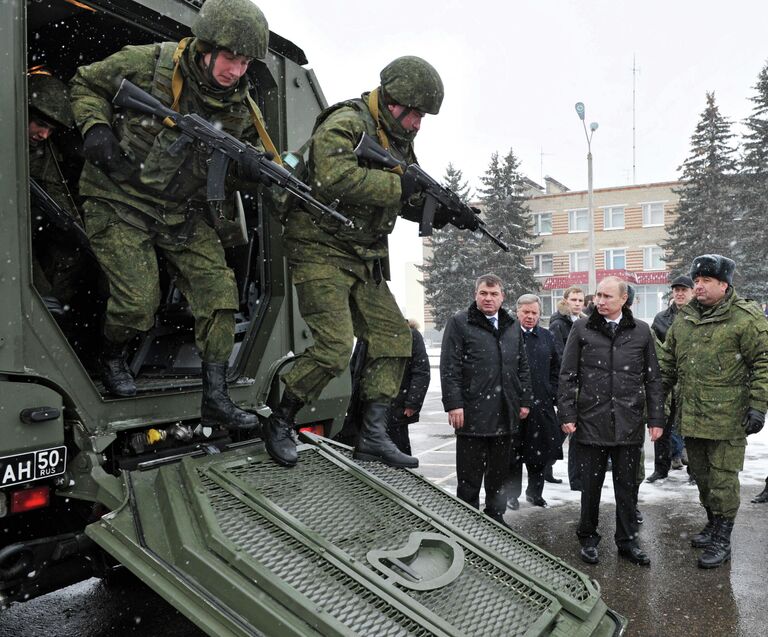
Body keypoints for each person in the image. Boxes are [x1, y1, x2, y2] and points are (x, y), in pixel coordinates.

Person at [69, 0, 273, 430]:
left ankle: (215, 396)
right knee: (139, 306)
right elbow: (86, 84)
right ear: (206, 48)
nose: (236, 72)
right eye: (230, 59)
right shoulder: (152, 63)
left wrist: (253, 168)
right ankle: (107, 354)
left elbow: (255, 167)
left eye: (245, 62)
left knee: (220, 295)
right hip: (118, 198)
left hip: (180, 212)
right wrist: (96, 129)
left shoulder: (241, 108)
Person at [266, 56, 467, 469]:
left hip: (363, 255)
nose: (418, 124)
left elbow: (403, 194)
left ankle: (373, 434)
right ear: (393, 102)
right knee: (334, 348)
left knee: (393, 339)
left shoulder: (397, 138)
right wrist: (399, 184)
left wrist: (443, 211)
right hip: (320, 247)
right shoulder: (346, 121)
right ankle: (280, 418)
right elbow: (332, 178)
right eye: (415, 115)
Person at [659, 254, 768, 568]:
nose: (699, 286)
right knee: (702, 478)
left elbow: (763, 364)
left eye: (706, 280)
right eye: (697, 281)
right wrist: (656, 400)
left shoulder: (745, 317)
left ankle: (723, 537)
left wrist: (758, 407)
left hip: (727, 418)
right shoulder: (686, 317)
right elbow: (668, 363)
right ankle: (713, 522)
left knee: (723, 481)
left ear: (724, 284)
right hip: (692, 417)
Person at [558, 276, 664, 566]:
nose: (600, 302)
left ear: (623, 300)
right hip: (591, 421)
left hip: (628, 422)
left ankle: (628, 541)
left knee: (627, 487)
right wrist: (566, 414)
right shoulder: (582, 328)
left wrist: (656, 418)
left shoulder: (642, 332)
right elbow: (567, 375)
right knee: (590, 487)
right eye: (598, 296)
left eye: (607, 297)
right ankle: (589, 537)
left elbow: (653, 379)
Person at [441, 274, 532, 525]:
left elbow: (522, 365)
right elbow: (450, 367)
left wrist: (524, 400)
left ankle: (495, 515)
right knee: (469, 475)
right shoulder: (460, 323)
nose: (488, 298)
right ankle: (467, 520)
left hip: (506, 412)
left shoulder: (511, 325)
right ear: (476, 295)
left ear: (502, 297)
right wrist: (454, 404)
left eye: (494, 294)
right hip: (472, 412)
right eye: (484, 293)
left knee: (499, 473)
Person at [27, 73, 83, 311]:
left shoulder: (43, 152)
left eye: (50, 130)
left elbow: (57, 193)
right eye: (40, 124)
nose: (44, 135)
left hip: (30, 223)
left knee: (69, 255)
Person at [340, 321, 430, 455]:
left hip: (394, 407)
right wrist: (350, 400)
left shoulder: (410, 334)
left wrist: (413, 403)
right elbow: (354, 369)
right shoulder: (365, 334)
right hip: (363, 407)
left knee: (396, 452)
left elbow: (421, 371)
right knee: (364, 455)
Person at [507, 294, 560, 508]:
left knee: (538, 453)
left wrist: (552, 391)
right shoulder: (508, 335)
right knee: (513, 453)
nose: (530, 317)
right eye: (526, 312)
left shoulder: (547, 337)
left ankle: (535, 492)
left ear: (539, 314)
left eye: (534, 313)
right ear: (517, 312)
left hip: (541, 405)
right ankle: (512, 495)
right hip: (514, 406)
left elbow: (557, 367)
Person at [646, 275, 694, 483]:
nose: (680, 293)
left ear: (692, 292)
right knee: (661, 423)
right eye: (676, 290)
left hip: (689, 379)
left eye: (684, 289)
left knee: (691, 427)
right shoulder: (661, 318)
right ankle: (660, 468)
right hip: (666, 378)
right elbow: (655, 350)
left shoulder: (699, 315)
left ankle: (694, 471)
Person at [548, 286, 587, 487]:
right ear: (565, 300)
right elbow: (560, 355)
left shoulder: (583, 321)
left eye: (580, 300)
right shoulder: (558, 324)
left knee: (572, 431)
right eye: (573, 299)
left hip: (580, 382)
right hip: (565, 382)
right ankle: (547, 462)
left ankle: (572, 474)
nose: (577, 303)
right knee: (563, 428)